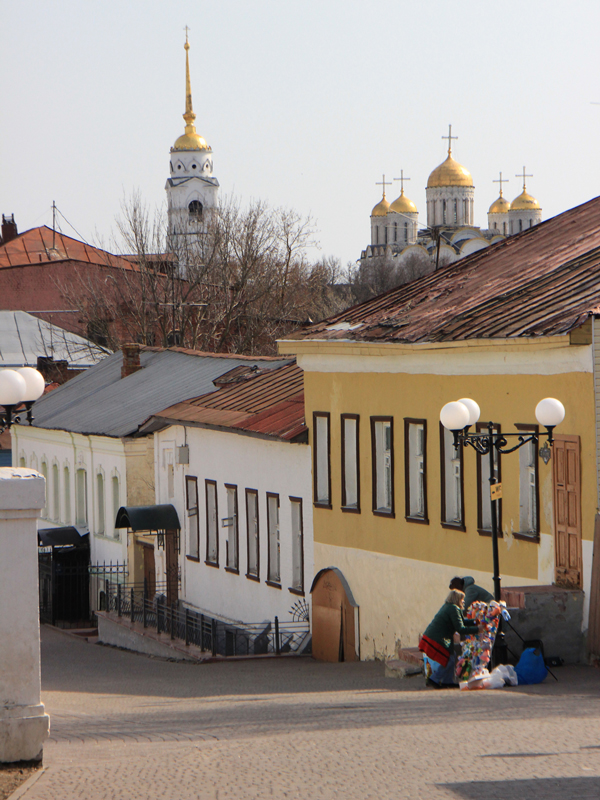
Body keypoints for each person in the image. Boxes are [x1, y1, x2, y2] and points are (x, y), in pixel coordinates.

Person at [419, 589, 481, 687]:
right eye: (462, 599)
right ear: (457, 599)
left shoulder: (449, 607)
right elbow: (460, 628)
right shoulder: (453, 609)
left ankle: (447, 681)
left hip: (436, 636)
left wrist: (474, 622)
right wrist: (477, 629)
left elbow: (459, 621)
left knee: (451, 656)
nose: (463, 601)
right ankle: (434, 679)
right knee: (448, 658)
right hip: (438, 637)